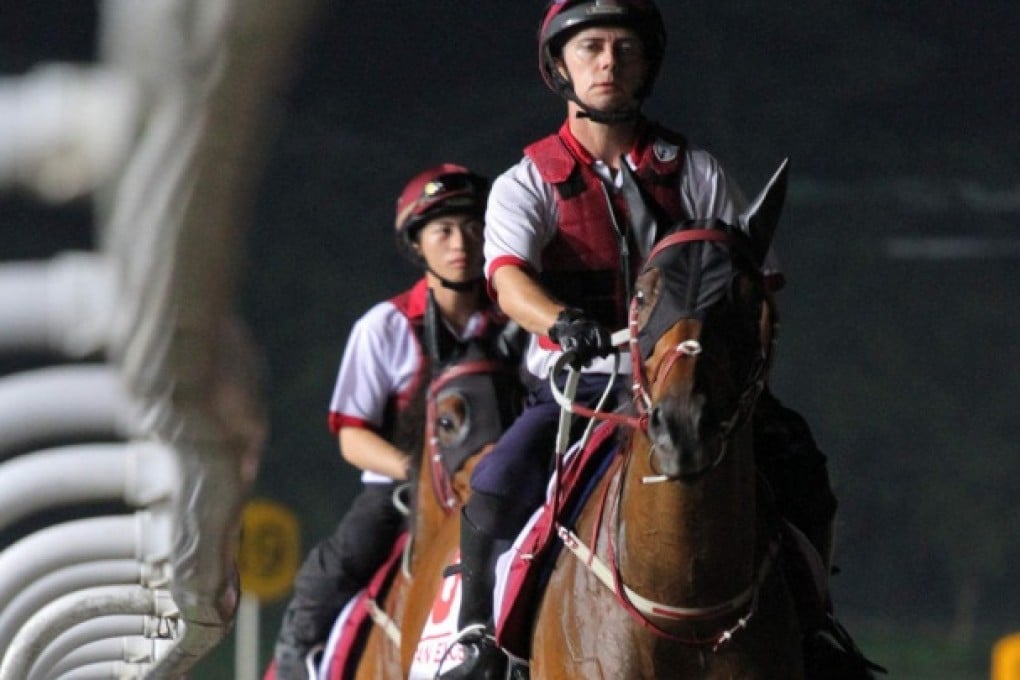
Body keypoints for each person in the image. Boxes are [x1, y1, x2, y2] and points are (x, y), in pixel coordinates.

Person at [443, 2, 874, 679]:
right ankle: (479, 641)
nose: (608, 62)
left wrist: (746, 368)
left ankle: (817, 629)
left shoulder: (696, 173)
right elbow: (507, 281)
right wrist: (561, 322)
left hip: (693, 381)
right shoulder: (526, 183)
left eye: (625, 48)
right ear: (560, 66)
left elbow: (757, 283)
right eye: (590, 47)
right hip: (587, 386)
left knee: (801, 465)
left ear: (647, 64)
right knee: (497, 483)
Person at [271, 163, 501, 679]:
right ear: (417, 244)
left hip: (497, 488)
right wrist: (417, 474)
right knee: (328, 574)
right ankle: (293, 663)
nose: (461, 242)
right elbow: (352, 437)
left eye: (473, 227)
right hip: (402, 493)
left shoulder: (513, 321)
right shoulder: (385, 326)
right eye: (443, 230)